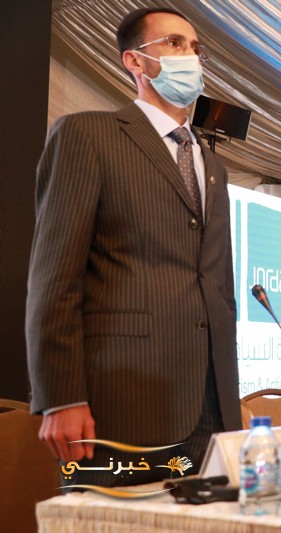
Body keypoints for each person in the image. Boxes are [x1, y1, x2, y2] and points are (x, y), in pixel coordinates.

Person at [26, 8, 240, 487]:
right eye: (174, 43)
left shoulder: (212, 166)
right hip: (122, 401)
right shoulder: (87, 135)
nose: (191, 56)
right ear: (135, 61)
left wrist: (228, 394)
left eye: (196, 48)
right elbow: (55, 278)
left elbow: (216, 281)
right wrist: (61, 396)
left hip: (210, 407)